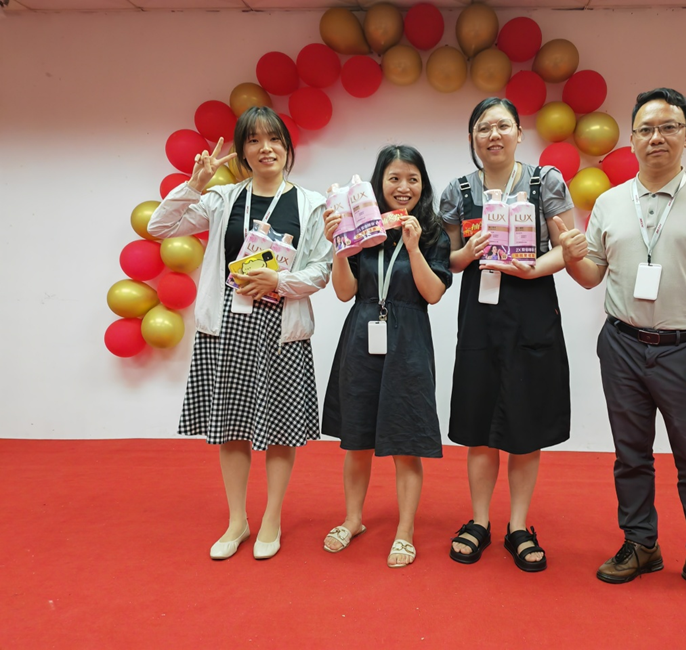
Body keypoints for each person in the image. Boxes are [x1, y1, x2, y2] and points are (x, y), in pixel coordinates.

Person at [555, 88, 686, 611]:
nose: (656, 137)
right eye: (645, 129)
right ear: (632, 138)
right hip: (621, 344)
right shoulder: (610, 202)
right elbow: (593, 275)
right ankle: (640, 544)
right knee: (631, 455)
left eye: (668, 127)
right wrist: (572, 257)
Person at [148, 106, 330, 561]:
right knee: (230, 426)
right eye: (253, 140)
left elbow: (321, 270)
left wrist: (279, 282)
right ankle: (237, 520)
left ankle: (271, 518)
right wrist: (195, 184)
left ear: (287, 147)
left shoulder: (310, 204)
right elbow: (160, 226)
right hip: (228, 323)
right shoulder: (222, 198)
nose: (265, 148)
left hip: (280, 326)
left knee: (281, 428)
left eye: (274, 139)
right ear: (243, 151)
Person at [440, 97, 575, 572]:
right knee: (479, 424)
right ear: (472, 138)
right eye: (483, 127)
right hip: (479, 316)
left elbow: (568, 248)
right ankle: (479, 520)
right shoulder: (457, 191)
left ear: (519, 133)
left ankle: (518, 525)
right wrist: (467, 252)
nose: (493, 135)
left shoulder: (545, 182)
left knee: (526, 424)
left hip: (532, 311)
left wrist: (533, 268)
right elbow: (447, 260)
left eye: (502, 126)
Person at [321, 145, 452, 568]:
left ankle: (404, 531)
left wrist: (413, 248)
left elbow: (433, 293)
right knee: (356, 440)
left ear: (422, 184)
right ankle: (353, 519)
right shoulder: (362, 227)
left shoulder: (432, 232)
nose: (403, 187)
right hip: (362, 337)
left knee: (406, 442)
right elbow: (344, 292)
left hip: (409, 342)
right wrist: (340, 245)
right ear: (380, 183)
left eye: (413, 178)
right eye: (394, 178)